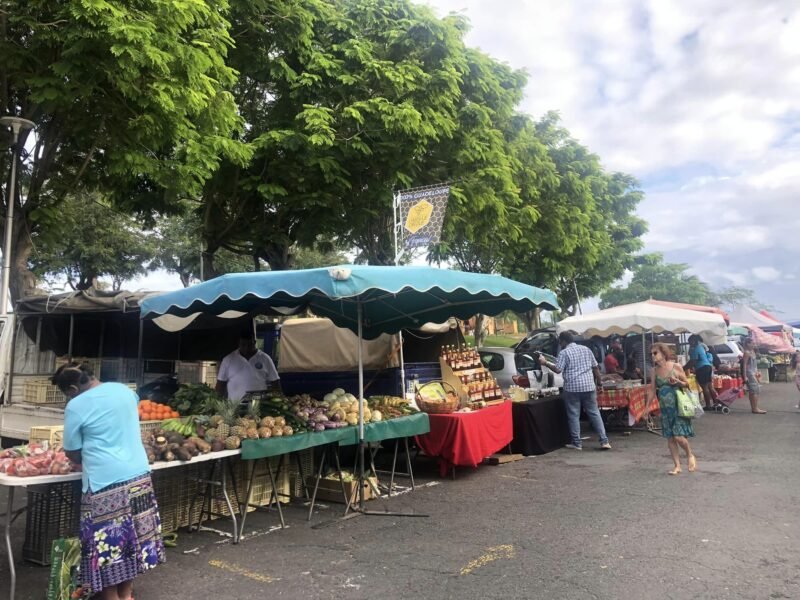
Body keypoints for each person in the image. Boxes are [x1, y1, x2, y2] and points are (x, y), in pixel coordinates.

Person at [55, 363, 165, 600]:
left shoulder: (76, 405)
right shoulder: (125, 391)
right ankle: (126, 595)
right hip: (138, 476)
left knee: (107, 548)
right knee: (130, 543)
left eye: (67, 393)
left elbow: (72, 451)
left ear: (73, 388)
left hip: (105, 484)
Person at [539, 331, 611, 451]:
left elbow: (557, 369)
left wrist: (545, 362)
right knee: (594, 413)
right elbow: (595, 368)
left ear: (563, 341)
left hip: (572, 388)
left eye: (560, 341)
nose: (560, 343)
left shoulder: (564, 352)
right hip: (589, 386)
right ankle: (604, 441)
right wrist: (600, 383)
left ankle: (577, 443)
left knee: (573, 415)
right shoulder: (586, 349)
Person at [649, 342, 697, 475]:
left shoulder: (675, 366)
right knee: (670, 438)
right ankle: (677, 466)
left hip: (677, 405)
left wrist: (678, 382)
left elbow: (687, 384)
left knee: (678, 436)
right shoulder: (654, 371)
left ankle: (690, 455)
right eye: (651, 354)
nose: (653, 356)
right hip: (665, 407)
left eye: (655, 353)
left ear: (663, 353)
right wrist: (647, 407)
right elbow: (652, 390)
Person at [216, 329, 281, 402]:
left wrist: (278, 400)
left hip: (259, 406)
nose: (246, 348)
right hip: (235, 407)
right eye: (243, 345)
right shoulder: (228, 360)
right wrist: (217, 402)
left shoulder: (265, 358)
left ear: (255, 343)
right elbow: (220, 384)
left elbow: (275, 382)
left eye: (250, 345)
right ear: (239, 343)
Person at [688, 334, 718, 409]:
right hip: (708, 366)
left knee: (705, 387)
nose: (689, 344)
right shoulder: (701, 347)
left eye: (690, 342)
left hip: (702, 368)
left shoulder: (695, 349)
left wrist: (684, 367)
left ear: (694, 341)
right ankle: (716, 402)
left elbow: (693, 361)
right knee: (710, 386)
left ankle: (708, 405)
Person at [742, 338, 765, 414]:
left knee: (755, 390)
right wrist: (745, 376)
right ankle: (755, 408)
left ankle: (754, 407)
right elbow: (744, 365)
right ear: (748, 344)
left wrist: (758, 371)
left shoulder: (753, 352)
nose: (753, 345)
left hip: (754, 372)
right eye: (752, 343)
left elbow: (755, 364)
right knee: (754, 390)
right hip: (750, 373)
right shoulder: (747, 352)